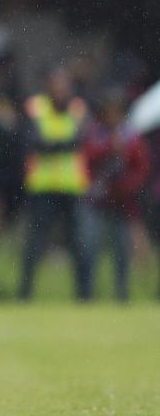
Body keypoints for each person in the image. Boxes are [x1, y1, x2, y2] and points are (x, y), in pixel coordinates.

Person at [18, 66, 92, 300]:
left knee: (80, 243)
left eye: (64, 84)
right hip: (43, 186)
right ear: (47, 85)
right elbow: (32, 141)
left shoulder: (79, 108)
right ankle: (24, 294)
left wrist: (52, 145)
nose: (60, 89)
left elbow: (83, 139)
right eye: (56, 84)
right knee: (35, 244)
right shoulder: (35, 107)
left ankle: (84, 296)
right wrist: (64, 144)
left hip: (72, 187)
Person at [82, 91, 149, 301]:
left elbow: (142, 167)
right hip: (96, 199)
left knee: (121, 249)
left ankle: (122, 294)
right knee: (89, 246)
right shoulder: (95, 133)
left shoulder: (131, 136)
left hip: (122, 201)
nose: (112, 117)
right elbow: (86, 159)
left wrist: (128, 185)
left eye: (116, 113)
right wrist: (108, 147)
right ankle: (86, 293)